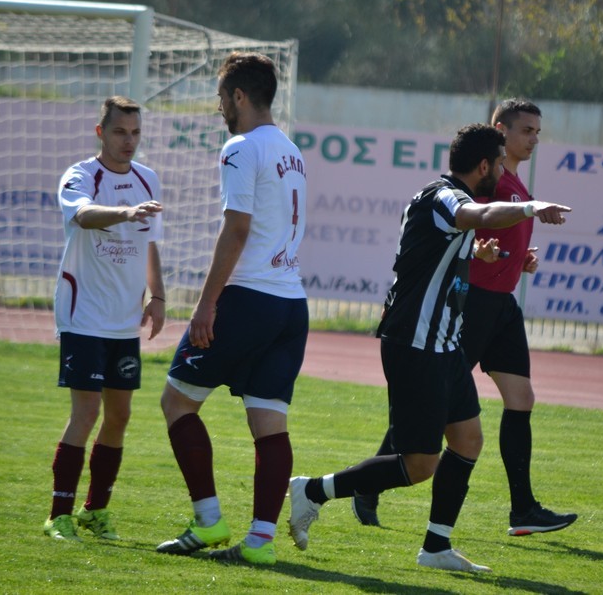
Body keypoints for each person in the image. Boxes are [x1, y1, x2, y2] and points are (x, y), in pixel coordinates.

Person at [287, 123, 571, 573]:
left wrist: (478, 255)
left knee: (468, 440)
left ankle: (436, 547)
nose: (504, 171)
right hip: (416, 344)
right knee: (420, 464)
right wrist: (530, 208)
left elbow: (437, 250)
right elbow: (476, 216)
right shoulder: (444, 197)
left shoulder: (446, 200)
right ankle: (312, 491)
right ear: (483, 166)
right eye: (500, 163)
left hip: (443, 344)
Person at [352, 99, 578, 537]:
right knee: (433, 405)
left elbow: (479, 237)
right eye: (526, 130)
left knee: (521, 398)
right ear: (500, 132)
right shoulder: (486, 180)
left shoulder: (512, 180)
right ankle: (369, 483)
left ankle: (523, 510)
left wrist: (515, 261)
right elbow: (460, 226)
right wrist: (486, 246)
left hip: (502, 305)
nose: (534, 139)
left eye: (537, 131)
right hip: (471, 303)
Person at [155, 52, 308, 567]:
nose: (219, 106)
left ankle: (208, 520)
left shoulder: (240, 147)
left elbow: (237, 229)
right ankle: (261, 542)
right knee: (269, 423)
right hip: (291, 304)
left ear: (239, 96)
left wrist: (206, 304)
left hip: (248, 299)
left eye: (222, 96)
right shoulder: (291, 150)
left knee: (177, 403)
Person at [44, 95, 165, 541]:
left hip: (123, 319)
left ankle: (95, 511)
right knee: (87, 411)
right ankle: (58, 515)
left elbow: (150, 243)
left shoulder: (147, 178)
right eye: (119, 132)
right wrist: (125, 213)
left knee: (120, 415)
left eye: (135, 133)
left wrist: (158, 296)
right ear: (101, 132)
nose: (128, 141)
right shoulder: (81, 175)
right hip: (84, 314)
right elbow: (83, 215)